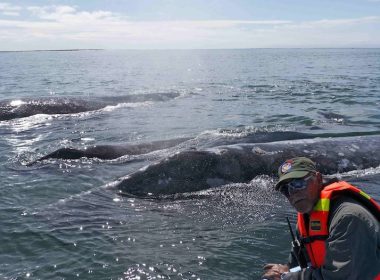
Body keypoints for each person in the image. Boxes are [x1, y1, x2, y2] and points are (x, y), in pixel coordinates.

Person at [262, 157, 380, 280]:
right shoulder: (308, 214)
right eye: (285, 189)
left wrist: (288, 277)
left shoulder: (348, 218)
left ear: (318, 179)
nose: (292, 193)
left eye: (298, 183)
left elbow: (339, 277)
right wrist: (286, 269)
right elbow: (301, 259)